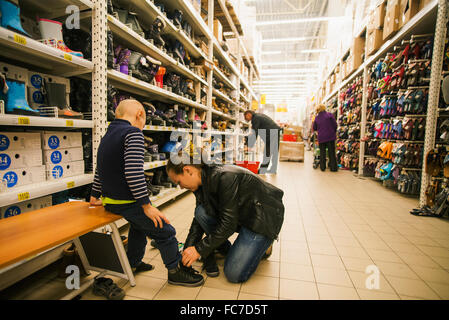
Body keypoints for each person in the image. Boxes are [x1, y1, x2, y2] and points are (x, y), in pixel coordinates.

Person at [89, 99, 204, 287]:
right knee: (166, 231)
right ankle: (175, 272)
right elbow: (133, 171)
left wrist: (95, 194)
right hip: (128, 201)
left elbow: (99, 168)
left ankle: (133, 262)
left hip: (110, 201)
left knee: (139, 228)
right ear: (139, 115)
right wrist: (146, 205)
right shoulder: (133, 133)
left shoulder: (107, 134)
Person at [166, 153, 285, 283]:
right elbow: (198, 222)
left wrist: (199, 249)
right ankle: (230, 249)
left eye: (179, 182)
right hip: (241, 214)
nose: (181, 187)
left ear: (188, 170)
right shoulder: (201, 183)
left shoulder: (225, 177)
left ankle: (264, 247)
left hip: (262, 218)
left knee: (233, 274)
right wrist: (187, 254)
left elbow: (228, 224)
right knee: (201, 212)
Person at [312, 104, 338, 172]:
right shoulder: (329, 115)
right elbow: (335, 125)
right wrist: (333, 131)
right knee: (331, 152)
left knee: (322, 152)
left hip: (322, 137)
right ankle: (333, 168)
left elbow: (314, 127)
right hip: (330, 136)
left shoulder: (317, 118)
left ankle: (322, 167)